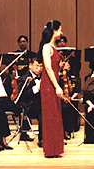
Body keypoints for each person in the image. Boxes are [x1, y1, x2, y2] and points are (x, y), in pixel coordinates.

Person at [37, 20, 64, 158]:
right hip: (49, 85)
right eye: (60, 30)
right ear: (54, 32)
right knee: (50, 116)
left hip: (53, 83)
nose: (61, 32)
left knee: (56, 116)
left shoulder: (53, 47)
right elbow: (47, 68)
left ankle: (55, 149)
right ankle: (50, 150)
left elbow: (53, 67)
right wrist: (57, 86)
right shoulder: (47, 47)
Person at [17, 57, 42, 145]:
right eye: (37, 66)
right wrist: (36, 88)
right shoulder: (23, 78)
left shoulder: (43, 77)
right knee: (43, 112)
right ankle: (42, 139)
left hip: (41, 104)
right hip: (30, 106)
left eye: (41, 66)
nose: (39, 69)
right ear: (30, 66)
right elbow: (22, 96)